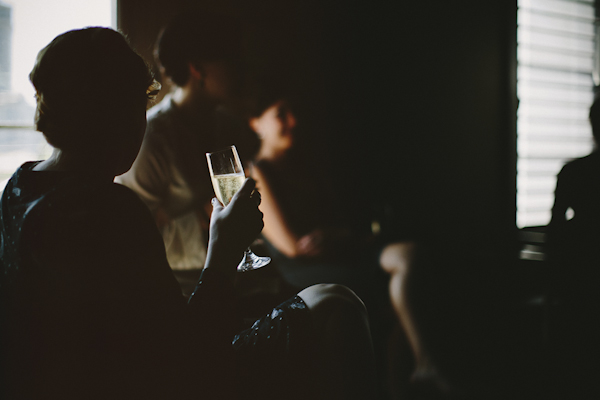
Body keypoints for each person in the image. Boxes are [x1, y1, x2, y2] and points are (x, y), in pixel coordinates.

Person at [0, 27, 376, 400]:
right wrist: (222, 250)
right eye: (136, 109)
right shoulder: (110, 209)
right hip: (159, 382)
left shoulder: (20, 187)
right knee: (336, 303)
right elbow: (189, 355)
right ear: (112, 114)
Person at [116, 11, 260, 297]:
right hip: (177, 292)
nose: (241, 69)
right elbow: (131, 238)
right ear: (198, 68)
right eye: (231, 59)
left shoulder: (231, 127)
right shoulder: (151, 139)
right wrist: (203, 218)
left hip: (241, 280)